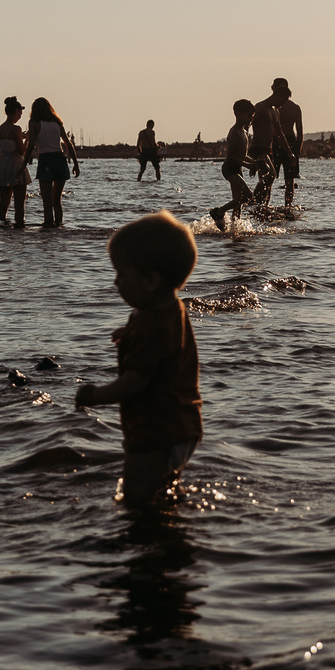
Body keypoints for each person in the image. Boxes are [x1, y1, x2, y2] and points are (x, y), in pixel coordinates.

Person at [75, 211, 203, 511]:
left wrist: (94, 396)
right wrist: (131, 331)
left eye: (121, 273)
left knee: (136, 501)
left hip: (156, 431)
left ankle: (143, 546)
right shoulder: (170, 309)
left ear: (150, 280)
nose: (116, 282)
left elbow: (134, 383)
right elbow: (163, 344)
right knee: (164, 495)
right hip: (181, 426)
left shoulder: (152, 326)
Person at [249, 80, 304, 206]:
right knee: (270, 178)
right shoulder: (261, 107)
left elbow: (280, 134)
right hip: (263, 147)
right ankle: (259, 204)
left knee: (271, 179)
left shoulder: (276, 110)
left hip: (274, 146)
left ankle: (262, 205)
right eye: (282, 101)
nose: (282, 104)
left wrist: (292, 153)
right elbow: (246, 127)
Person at [28, 96, 78, 228]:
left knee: (47, 202)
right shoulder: (57, 123)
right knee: (57, 201)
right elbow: (68, 144)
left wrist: (22, 165)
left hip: (45, 161)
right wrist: (76, 164)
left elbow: (30, 145)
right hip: (60, 161)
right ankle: (59, 227)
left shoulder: (34, 123)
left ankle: (48, 228)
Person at [211, 98, 255, 230]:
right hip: (230, 169)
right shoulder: (235, 132)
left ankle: (235, 229)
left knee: (238, 202)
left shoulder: (244, 132)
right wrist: (249, 166)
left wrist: (254, 163)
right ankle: (219, 212)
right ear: (238, 114)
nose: (250, 119)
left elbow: (243, 155)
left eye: (252, 116)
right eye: (248, 116)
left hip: (237, 168)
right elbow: (232, 157)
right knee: (248, 196)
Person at [0, 96, 29, 227]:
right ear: (16, 111)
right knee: (19, 204)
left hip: (4, 165)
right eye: (20, 112)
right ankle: (19, 227)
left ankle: (1, 225)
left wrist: (21, 137)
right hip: (16, 164)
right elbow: (21, 151)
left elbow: (9, 143)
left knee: (4, 203)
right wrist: (28, 139)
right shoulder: (16, 128)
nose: (21, 115)